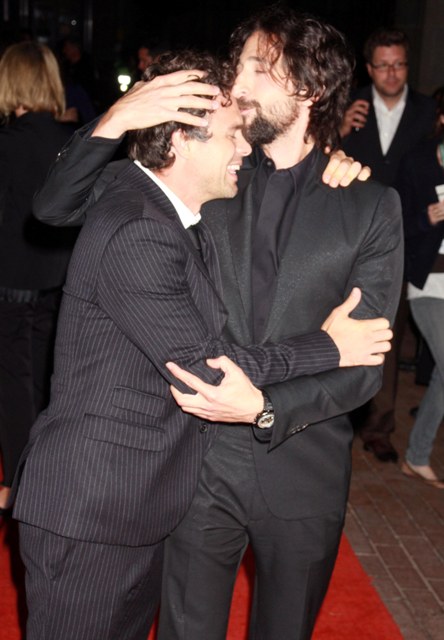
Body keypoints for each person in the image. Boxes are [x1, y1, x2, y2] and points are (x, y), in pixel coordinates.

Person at [29, 6, 403, 639]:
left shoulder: (368, 204)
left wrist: (265, 408)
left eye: (258, 68)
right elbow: (56, 204)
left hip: (302, 473)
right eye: (238, 66)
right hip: (194, 468)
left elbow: (363, 360)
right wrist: (117, 117)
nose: (237, 82)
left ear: (310, 87)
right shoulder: (208, 171)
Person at [340, 27, 436, 463]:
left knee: (386, 335)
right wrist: (340, 129)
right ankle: (334, 417)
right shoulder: (350, 104)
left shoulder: (427, 111)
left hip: (401, 237)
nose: (392, 73)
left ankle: (379, 427)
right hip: (348, 233)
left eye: (399, 64)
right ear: (369, 68)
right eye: (383, 65)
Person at [0, 41, 77, 516]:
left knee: (14, 385)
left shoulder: (7, 142)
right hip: (61, 281)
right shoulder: (72, 142)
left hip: (11, 281)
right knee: (48, 383)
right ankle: (51, 478)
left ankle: (22, 488)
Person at [398, 86, 444, 489]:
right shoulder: (418, 161)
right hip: (429, 282)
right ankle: (416, 454)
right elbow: (397, 224)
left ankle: (416, 456)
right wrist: (427, 217)